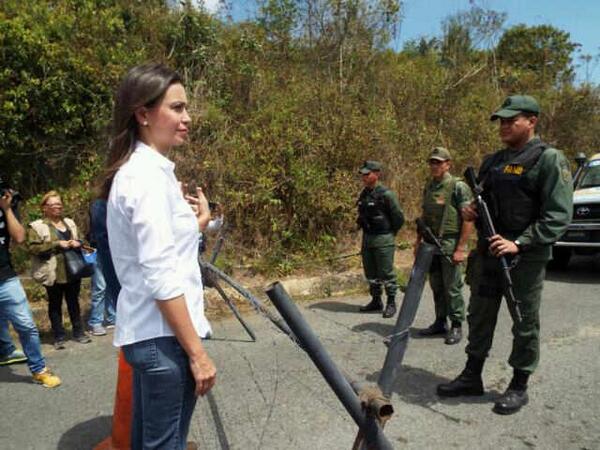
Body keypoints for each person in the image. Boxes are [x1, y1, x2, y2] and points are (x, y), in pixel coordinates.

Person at [103, 63, 216, 449]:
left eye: (186, 109)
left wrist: (196, 224)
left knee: (146, 441)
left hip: (149, 333)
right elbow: (161, 276)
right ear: (144, 113)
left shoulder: (147, 172)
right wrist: (197, 354)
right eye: (177, 108)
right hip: (163, 337)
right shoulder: (147, 177)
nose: (187, 118)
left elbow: (158, 249)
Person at [436, 95, 573, 415]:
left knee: (524, 321)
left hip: (523, 259)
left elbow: (558, 216)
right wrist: (469, 211)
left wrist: (520, 242)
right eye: (502, 120)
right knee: (479, 315)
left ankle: (519, 385)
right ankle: (472, 375)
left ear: (532, 121)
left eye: (513, 120)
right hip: (487, 255)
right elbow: (481, 201)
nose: (505, 125)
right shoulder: (493, 161)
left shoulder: (548, 159)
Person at [0, 187, 61, 387]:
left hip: (5, 277)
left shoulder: (5, 206)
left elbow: (19, 238)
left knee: (26, 325)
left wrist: (7, 209)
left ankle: (39, 370)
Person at [415, 147, 474, 345]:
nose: (434, 166)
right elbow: (423, 217)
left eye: (438, 162)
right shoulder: (430, 186)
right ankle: (440, 321)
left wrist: (461, 248)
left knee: (452, 287)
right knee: (437, 285)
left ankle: (456, 324)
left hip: (450, 243)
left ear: (448, 164)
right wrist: (418, 243)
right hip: (431, 243)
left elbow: (468, 219)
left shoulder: (458, 187)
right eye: (432, 162)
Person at [27, 191, 92, 349]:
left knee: (73, 302)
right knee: (55, 303)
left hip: (73, 269)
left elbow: (83, 238)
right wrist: (56, 244)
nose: (58, 207)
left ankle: (78, 332)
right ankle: (59, 336)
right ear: (45, 208)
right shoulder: (38, 226)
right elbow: (33, 248)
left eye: (59, 204)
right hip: (52, 271)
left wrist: (78, 242)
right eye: (53, 205)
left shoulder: (69, 222)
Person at [356, 160, 405, 318]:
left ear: (376, 174)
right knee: (370, 271)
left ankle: (391, 302)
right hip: (368, 238)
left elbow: (398, 217)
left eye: (367, 174)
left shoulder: (386, 194)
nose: (364, 177)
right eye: (362, 174)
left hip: (383, 239)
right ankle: (376, 300)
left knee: (386, 272)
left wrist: (390, 233)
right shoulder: (364, 194)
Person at [87, 200, 117, 336]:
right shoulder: (98, 205)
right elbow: (100, 233)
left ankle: (112, 317)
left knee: (111, 284)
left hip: (113, 250)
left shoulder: (114, 202)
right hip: (99, 250)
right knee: (100, 286)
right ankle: (95, 322)